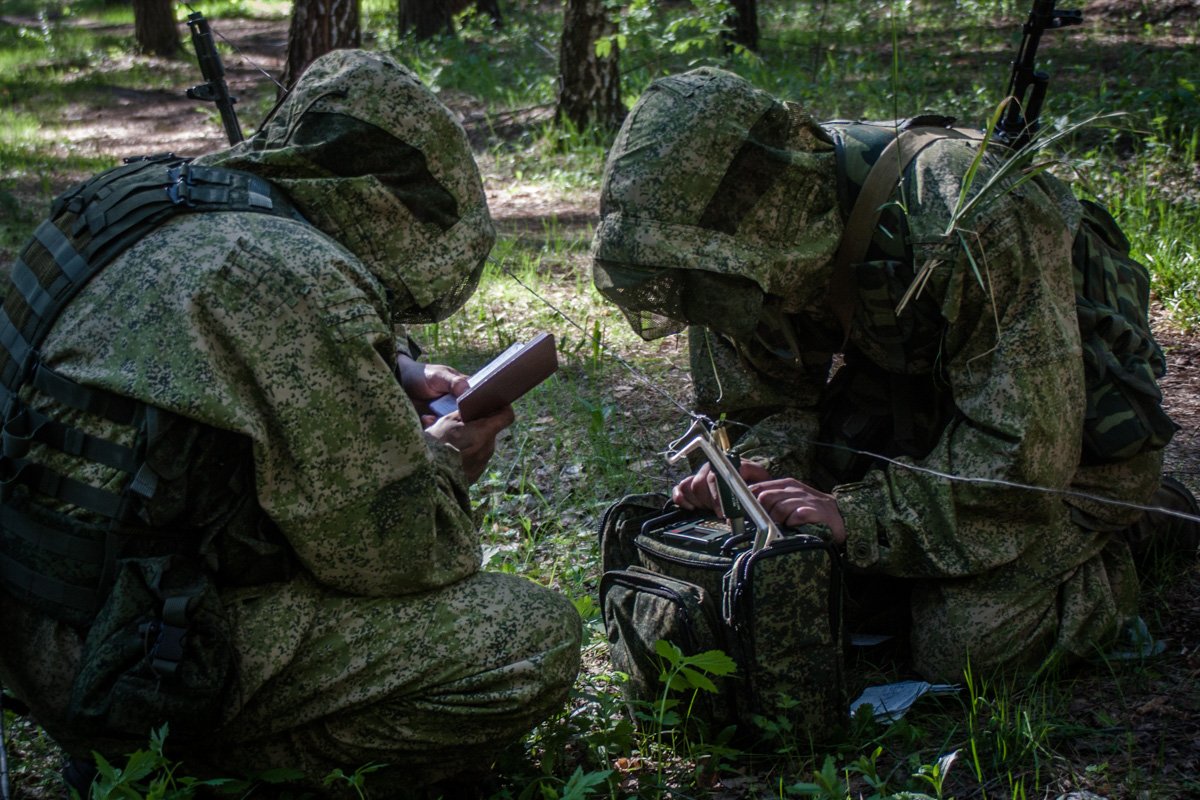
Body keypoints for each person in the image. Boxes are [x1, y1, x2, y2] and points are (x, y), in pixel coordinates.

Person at [0, 50, 581, 796]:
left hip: (33, 625)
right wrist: (443, 459)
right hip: (131, 660)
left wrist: (390, 369)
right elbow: (395, 556)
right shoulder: (293, 277)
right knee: (527, 636)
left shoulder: (137, 197)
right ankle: (202, 768)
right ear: (388, 204)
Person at [591, 67, 1196, 682]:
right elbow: (765, 405)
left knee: (965, 643)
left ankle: (1136, 524)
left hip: (1067, 447)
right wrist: (754, 474)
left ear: (759, 200)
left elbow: (1026, 453)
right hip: (923, 417)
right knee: (787, 585)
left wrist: (860, 517)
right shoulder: (735, 251)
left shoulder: (966, 214)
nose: (700, 290)